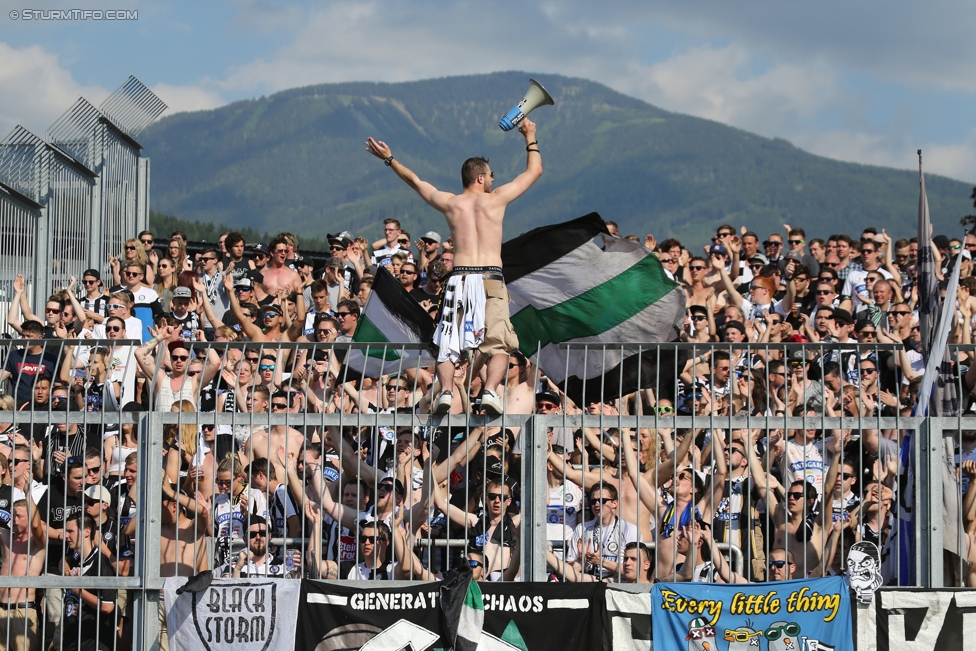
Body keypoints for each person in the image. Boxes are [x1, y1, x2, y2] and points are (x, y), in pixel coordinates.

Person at [366, 117, 542, 415]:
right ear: (480, 178)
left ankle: (446, 392)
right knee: (499, 342)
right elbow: (534, 170)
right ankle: (489, 391)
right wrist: (530, 136)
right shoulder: (495, 200)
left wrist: (390, 159)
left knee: (449, 341)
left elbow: (416, 181)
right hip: (490, 277)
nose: (494, 180)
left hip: (460, 278)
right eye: (491, 176)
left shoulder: (451, 203)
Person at [0, 499, 46, 651]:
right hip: (0, 610)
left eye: (19, 516)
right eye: (12, 515)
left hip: (23, 611)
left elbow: (36, 526)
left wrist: (28, 493)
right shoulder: (5, 537)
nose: (13, 519)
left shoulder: (38, 544)